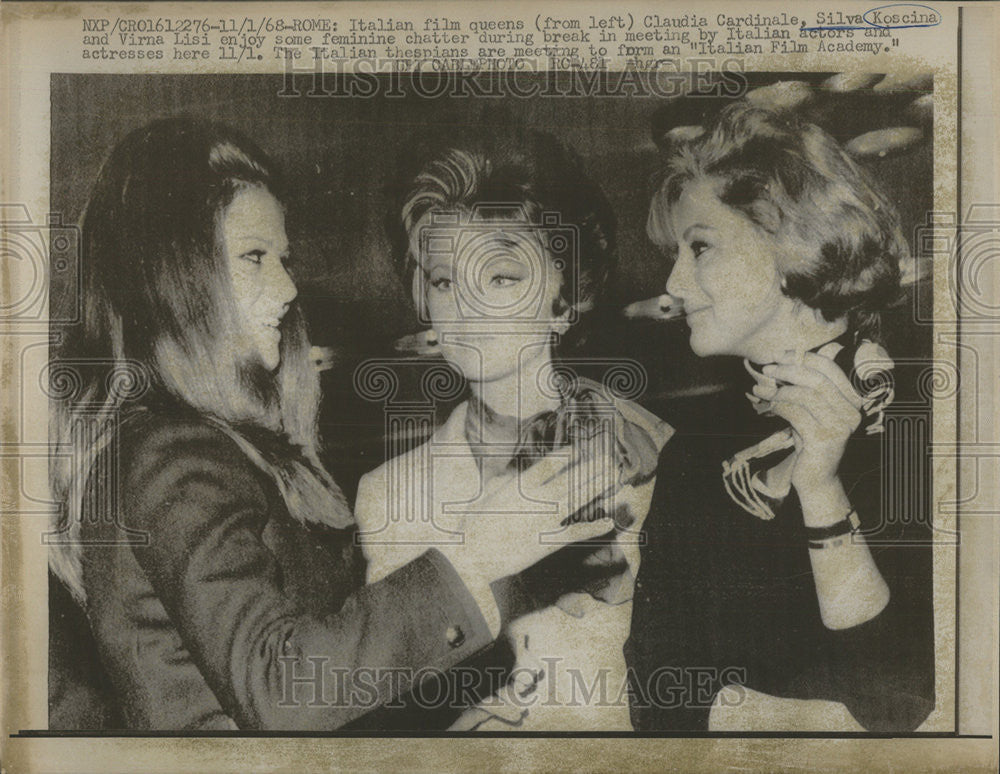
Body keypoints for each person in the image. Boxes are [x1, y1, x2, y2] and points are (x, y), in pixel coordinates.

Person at [47, 117, 616, 730]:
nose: (289, 287)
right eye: (254, 257)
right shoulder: (174, 455)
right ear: (177, 275)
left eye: (282, 259)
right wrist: (473, 557)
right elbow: (283, 692)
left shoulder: (197, 450)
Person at [624, 103, 936, 731]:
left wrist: (821, 492)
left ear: (789, 240)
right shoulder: (693, 451)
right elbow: (658, 701)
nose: (674, 285)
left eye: (700, 248)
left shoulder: (923, 432)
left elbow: (902, 704)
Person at [355, 132, 672, 730]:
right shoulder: (386, 494)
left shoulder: (656, 457)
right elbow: (384, 705)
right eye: (444, 281)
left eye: (499, 277)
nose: (465, 309)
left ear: (565, 299)